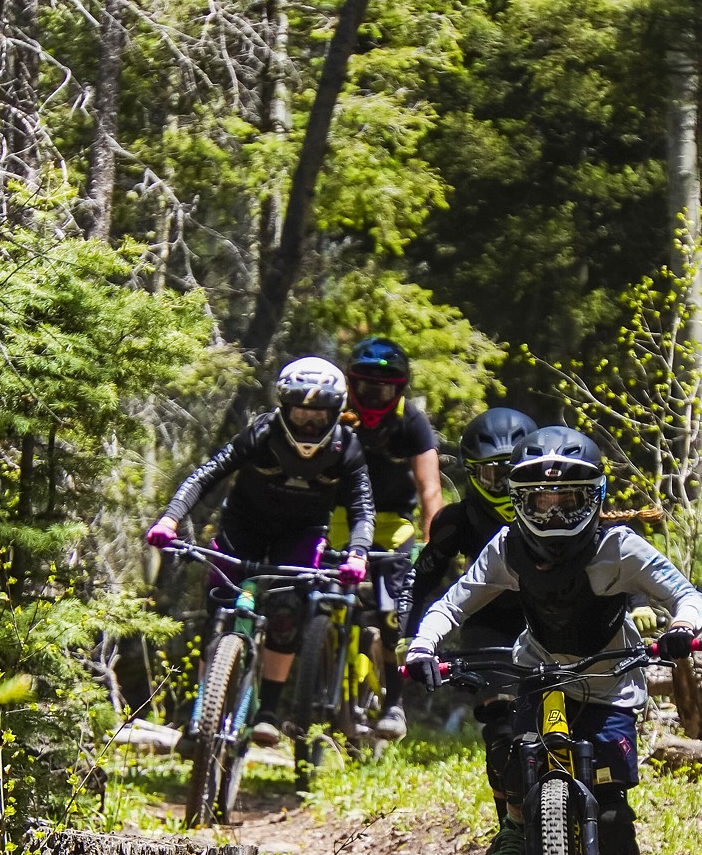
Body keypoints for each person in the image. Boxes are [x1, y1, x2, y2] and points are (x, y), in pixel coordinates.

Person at [404, 425, 702, 855]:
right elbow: (453, 603)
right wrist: (424, 645)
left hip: (610, 682)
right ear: (519, 501)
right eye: (540, 500)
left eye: (567, 499)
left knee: (612, 810)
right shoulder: (508, 548)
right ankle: (518, 823)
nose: (553, 513)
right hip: (538, 672)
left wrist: (682, 628)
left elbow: (686, 595)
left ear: (594, 497)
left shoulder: (619, 547)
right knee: (509, 751)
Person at [146, 357, 375, 747]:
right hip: (243, 527)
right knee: (219, 610)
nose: (308, 424)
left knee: (287, 613)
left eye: (318, 417)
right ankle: (202, 712)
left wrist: (358, 553)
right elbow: (206, 475)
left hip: (301, 535)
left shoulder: (346, 447)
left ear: (335, 413)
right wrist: (169, 520)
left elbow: (362, 508)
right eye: (300, 414)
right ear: (284, 408)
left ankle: (267, 711)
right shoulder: (261, 434)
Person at [406, 406, 539, 827]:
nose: (503, 485)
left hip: (555, 622)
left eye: (512, 473)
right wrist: (411, 639)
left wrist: (632, 605)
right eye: (491, 475)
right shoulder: (457, 521)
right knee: (500, 733)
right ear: (472, 475)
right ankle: (511, 829)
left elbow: (609, 562)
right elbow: (421, 581)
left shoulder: (564, 506)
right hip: (488, 627)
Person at [329, 336, 442, 741]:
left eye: (384, 388)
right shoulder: (335, 415)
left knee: (393, 614)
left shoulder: (411, 421)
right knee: (317, 602)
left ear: (400, 388)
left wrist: (432, 544)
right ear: (351, 384)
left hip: (393, 527)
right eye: (365, 386)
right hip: (339, 522)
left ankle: (394, 702)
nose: (374, 395)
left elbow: (430, 488)